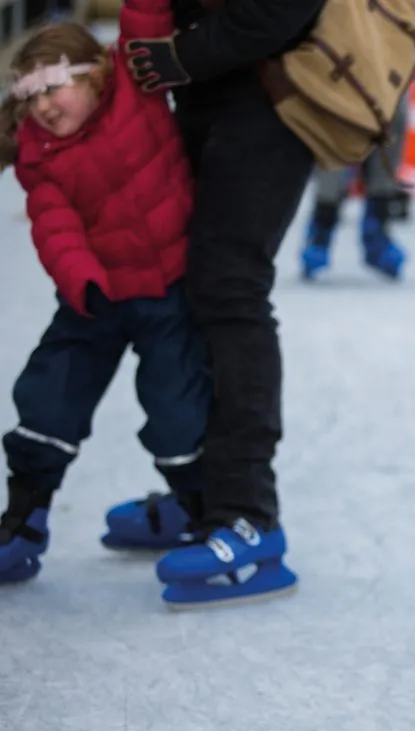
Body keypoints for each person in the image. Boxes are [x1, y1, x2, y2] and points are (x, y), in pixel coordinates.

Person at [97, 0, 325, 608]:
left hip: (270, 101)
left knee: (231, 290)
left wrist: (181, 54)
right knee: (196, 288)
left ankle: (249, 518)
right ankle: (201, 495)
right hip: (206, 96)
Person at [0, 9, 207, 584]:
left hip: (169, 288)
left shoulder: (136, 88)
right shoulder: (38, 154)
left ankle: (194, 508)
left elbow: (144, 20)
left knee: (178, 407)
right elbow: (53, 225)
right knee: (49, 392)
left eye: (53, 87)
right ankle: (24, 516)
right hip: (96, 295)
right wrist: (82, 280)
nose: (42, 106)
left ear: (94, 76)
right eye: (29, 94)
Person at [299, 0, 415, 282]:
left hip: (391, 47)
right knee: (336, 132)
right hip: (340, 47)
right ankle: (321, 228)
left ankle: (376, 230)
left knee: (393, 125)